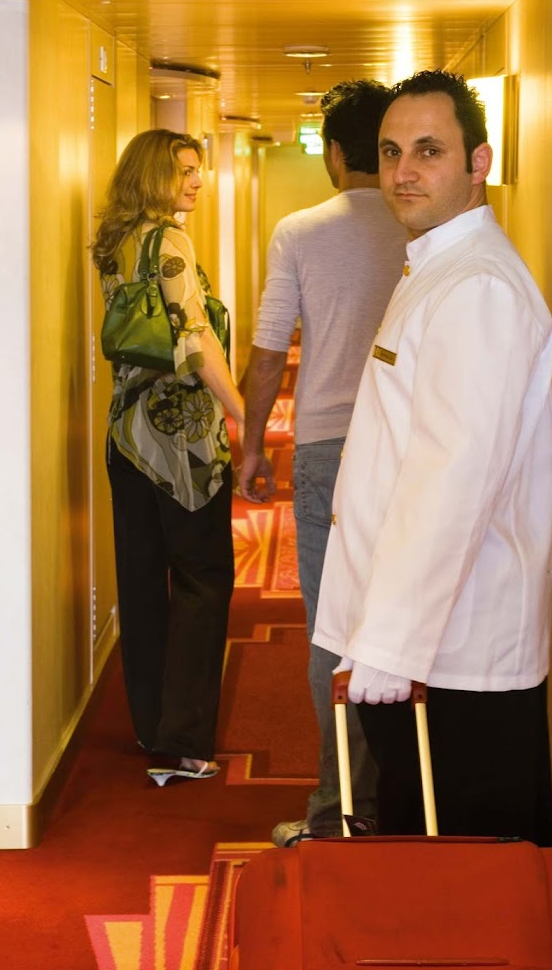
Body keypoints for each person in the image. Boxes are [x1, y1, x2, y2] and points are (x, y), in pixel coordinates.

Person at [312, 70, 552, 845]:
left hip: (451, 657)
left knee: (460, 884)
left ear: (478, 162)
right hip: (425, 648)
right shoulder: (436, 267)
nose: (403, 173)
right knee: (424, 870)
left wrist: (389, 647)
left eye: (428, 151)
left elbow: (451, 483)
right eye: (390, 153)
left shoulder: (477, 287)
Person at [238, 80, 408, 844]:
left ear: (337, 153)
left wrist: (249, 447)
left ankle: (341, 810)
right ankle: (410, 797)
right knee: (409, 617)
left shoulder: (300, 231)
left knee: (332, 631)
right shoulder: (424, 226)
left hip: (328, 451)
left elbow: (270, 351)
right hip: (411, 447)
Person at [92, 129, 244, 786]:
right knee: (204, 580)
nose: (197, 182)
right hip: (180, 444)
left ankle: (153, 726)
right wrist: (244, 414)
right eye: (185, 170)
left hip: (127, 436)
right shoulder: (169, 241)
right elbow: (195, 338)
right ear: (154, 173)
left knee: (142, 581)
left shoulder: (113, 243)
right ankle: (185, 741)